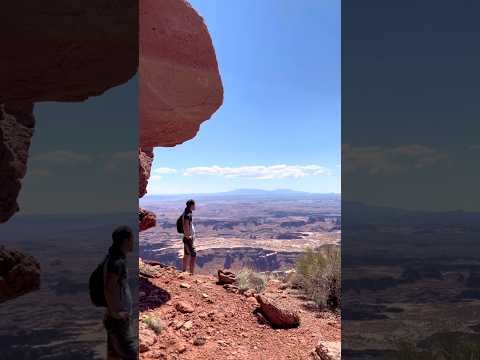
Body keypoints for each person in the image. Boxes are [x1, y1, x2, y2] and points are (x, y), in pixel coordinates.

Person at [103, 225, 137, 359]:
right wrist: (117, 313)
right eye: (132, 238)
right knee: (131, 354)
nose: (134, 242)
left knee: (115, 355)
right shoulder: (117, 262)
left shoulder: (113, 257)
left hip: (113, 318)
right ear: (126, 240)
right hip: (118, 319)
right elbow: (109, 287)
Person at [182, 199, 197, 274]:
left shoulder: (187, 212)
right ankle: (192, 274)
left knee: (187, 254)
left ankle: (184, 270)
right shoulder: (188, 214)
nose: (195, 206)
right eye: (194, 205)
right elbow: (185, 224)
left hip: (186, 237)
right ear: (191, 205)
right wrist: (188, 236)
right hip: (188, 238)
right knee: (193, 255)